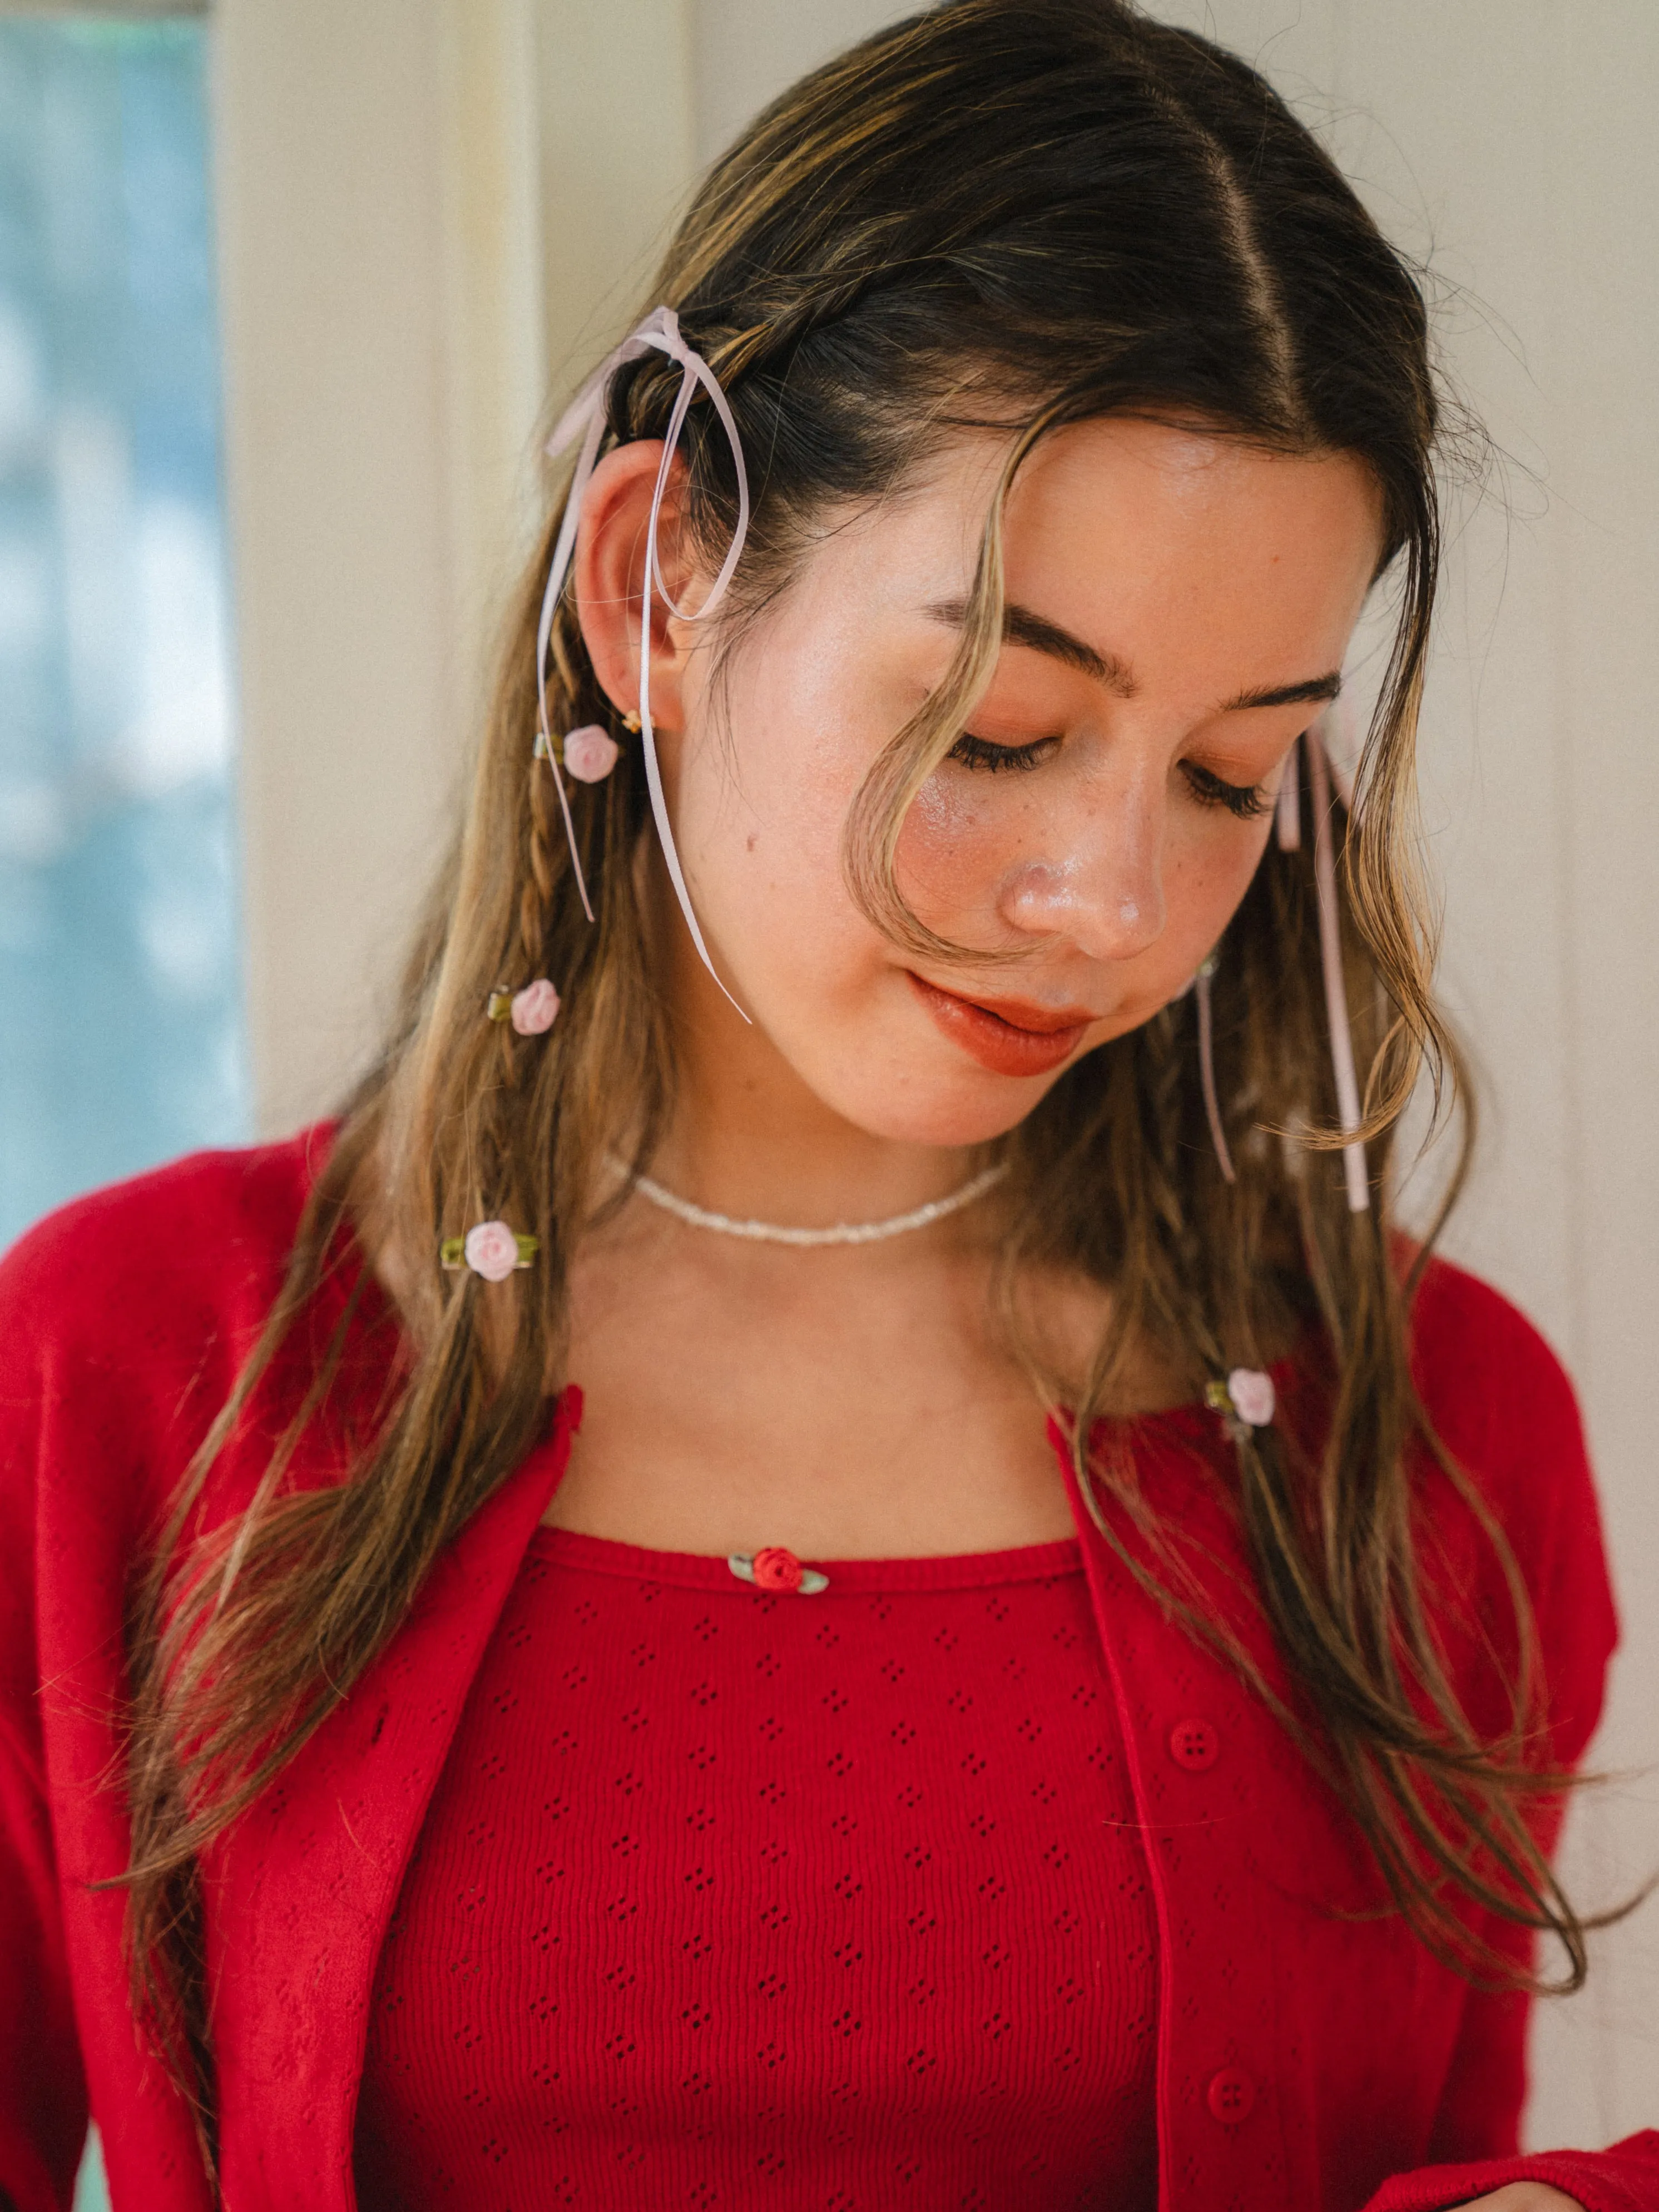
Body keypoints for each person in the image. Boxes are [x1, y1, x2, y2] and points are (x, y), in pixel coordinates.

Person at [1, 2, 1654, 2206]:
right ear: (653, 583)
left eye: (1229, 770)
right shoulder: (123, 1372)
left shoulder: (1420, 1438)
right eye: (994, 729)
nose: (1115, 900)